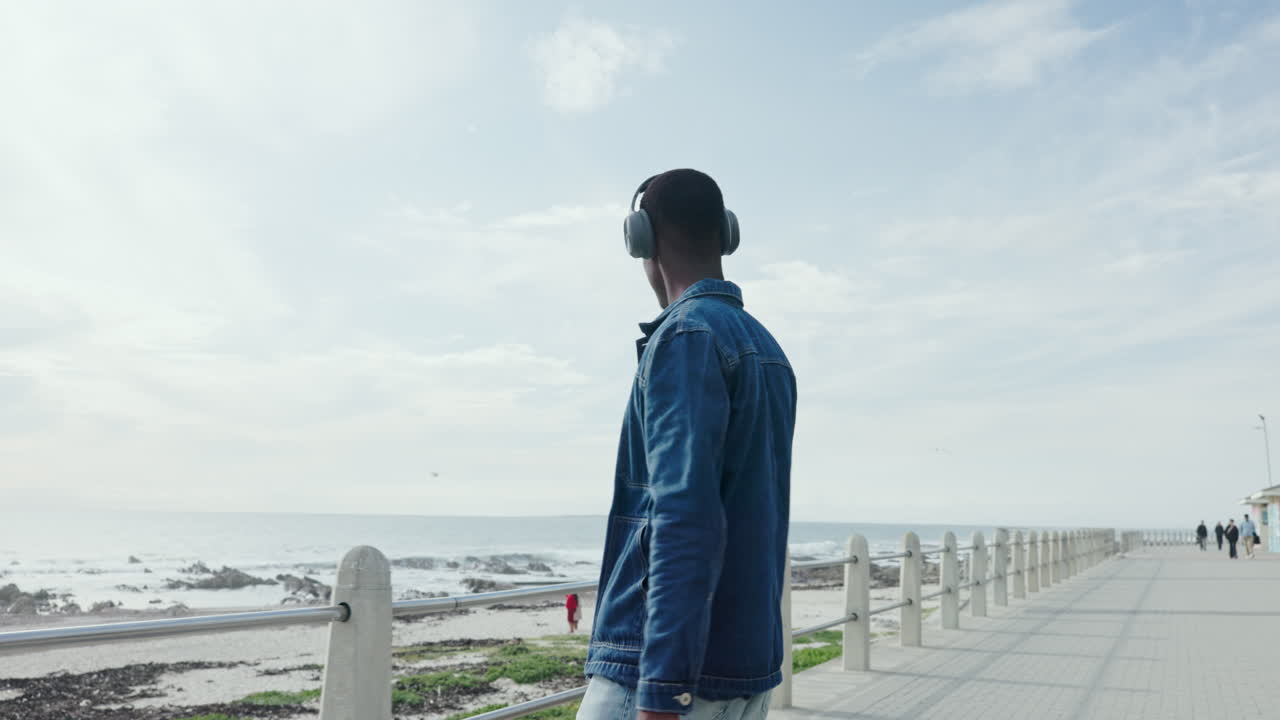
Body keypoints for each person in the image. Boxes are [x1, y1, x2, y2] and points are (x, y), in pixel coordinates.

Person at [580, 169, 796, 720]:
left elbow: (683, 518)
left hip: (666, 679)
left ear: (641, 239)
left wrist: (662, 690)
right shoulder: (768, 350)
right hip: (745, 671)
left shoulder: (685, 338)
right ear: (726, 235)